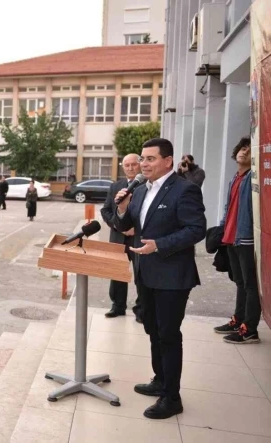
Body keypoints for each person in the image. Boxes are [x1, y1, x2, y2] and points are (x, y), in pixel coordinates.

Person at [113, 138, 206, 420]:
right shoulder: (140, 190)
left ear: (167, 161)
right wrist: (120, 208)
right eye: (142, 159)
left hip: (172, 275)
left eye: (150, 159)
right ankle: (160, 380)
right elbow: (125, 225)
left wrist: (161, 245)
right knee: (152, 328)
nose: (143, 164)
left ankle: (171, 397)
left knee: (168, 334)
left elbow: (196, 229)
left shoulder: (184, 189)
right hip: (146, 273)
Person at [214, 137, 260, 344]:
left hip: (246, 239)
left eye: (250, 150)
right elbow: (228, 207)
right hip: (231, 238)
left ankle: (250, 329)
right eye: (242, 148)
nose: (244, 152)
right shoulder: (236, 177)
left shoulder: (252, 177)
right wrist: (223, 230)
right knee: (240, 282)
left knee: (250, 285)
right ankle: (238, 320)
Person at [100, 154, 142, 320]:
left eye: (133, 164)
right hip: (118, 238)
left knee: (141, 274)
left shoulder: (147, 186)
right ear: (122, 167)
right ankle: (117, 306)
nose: (130, 168)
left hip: (139, 239)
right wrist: (119, 225)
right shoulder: (116, 186)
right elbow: (106, 210)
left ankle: (142, 310)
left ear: (139, 165)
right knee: (117, 274)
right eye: (127, 165)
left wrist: (134, 228)